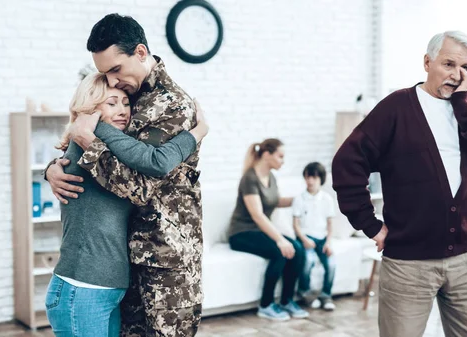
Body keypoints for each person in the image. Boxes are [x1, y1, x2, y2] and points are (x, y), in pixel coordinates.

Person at [332, 31, 467, 337]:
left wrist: (463, 104)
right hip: (409, 263)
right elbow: (347, 163)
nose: (457, 75)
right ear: (427, 62)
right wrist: (370, 224)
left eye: (465, 68)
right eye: (448, 64)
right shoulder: (396, 108)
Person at [45, 13, 207, 336]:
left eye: (116, 69)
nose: (113, 81)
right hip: (122, 266)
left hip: (166, 265)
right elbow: (87, 136)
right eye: (106, 74)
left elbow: (141, 186)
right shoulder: (128, 97)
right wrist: (53, 170)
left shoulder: (172, 105)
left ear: (141, 53)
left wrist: (88, 143)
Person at [227, 139, 309, 321]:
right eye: (280, 156)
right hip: (241, 233)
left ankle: (287, 301)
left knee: (298, 249)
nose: (283, 161)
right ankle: (265, 305)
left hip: (259, 231)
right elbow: (257, 215)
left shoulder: (271, 177)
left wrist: (299, 199)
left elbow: (275, 201)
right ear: (266, 155)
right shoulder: (250, 178)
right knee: (280, 252)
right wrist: (280, 239)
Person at [292, 162, 336, 311]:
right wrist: (304, 239)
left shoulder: (327, 199)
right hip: (305, 238)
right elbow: (296, 224)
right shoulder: (300, 199)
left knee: (331, 263)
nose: (310, 181)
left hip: (322, 238)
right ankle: (305, 293)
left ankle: (326, 296)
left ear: (320, 179)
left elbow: (330, 224)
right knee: (308, 260)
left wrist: (328, 242)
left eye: (314, 178)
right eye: (307, 177)